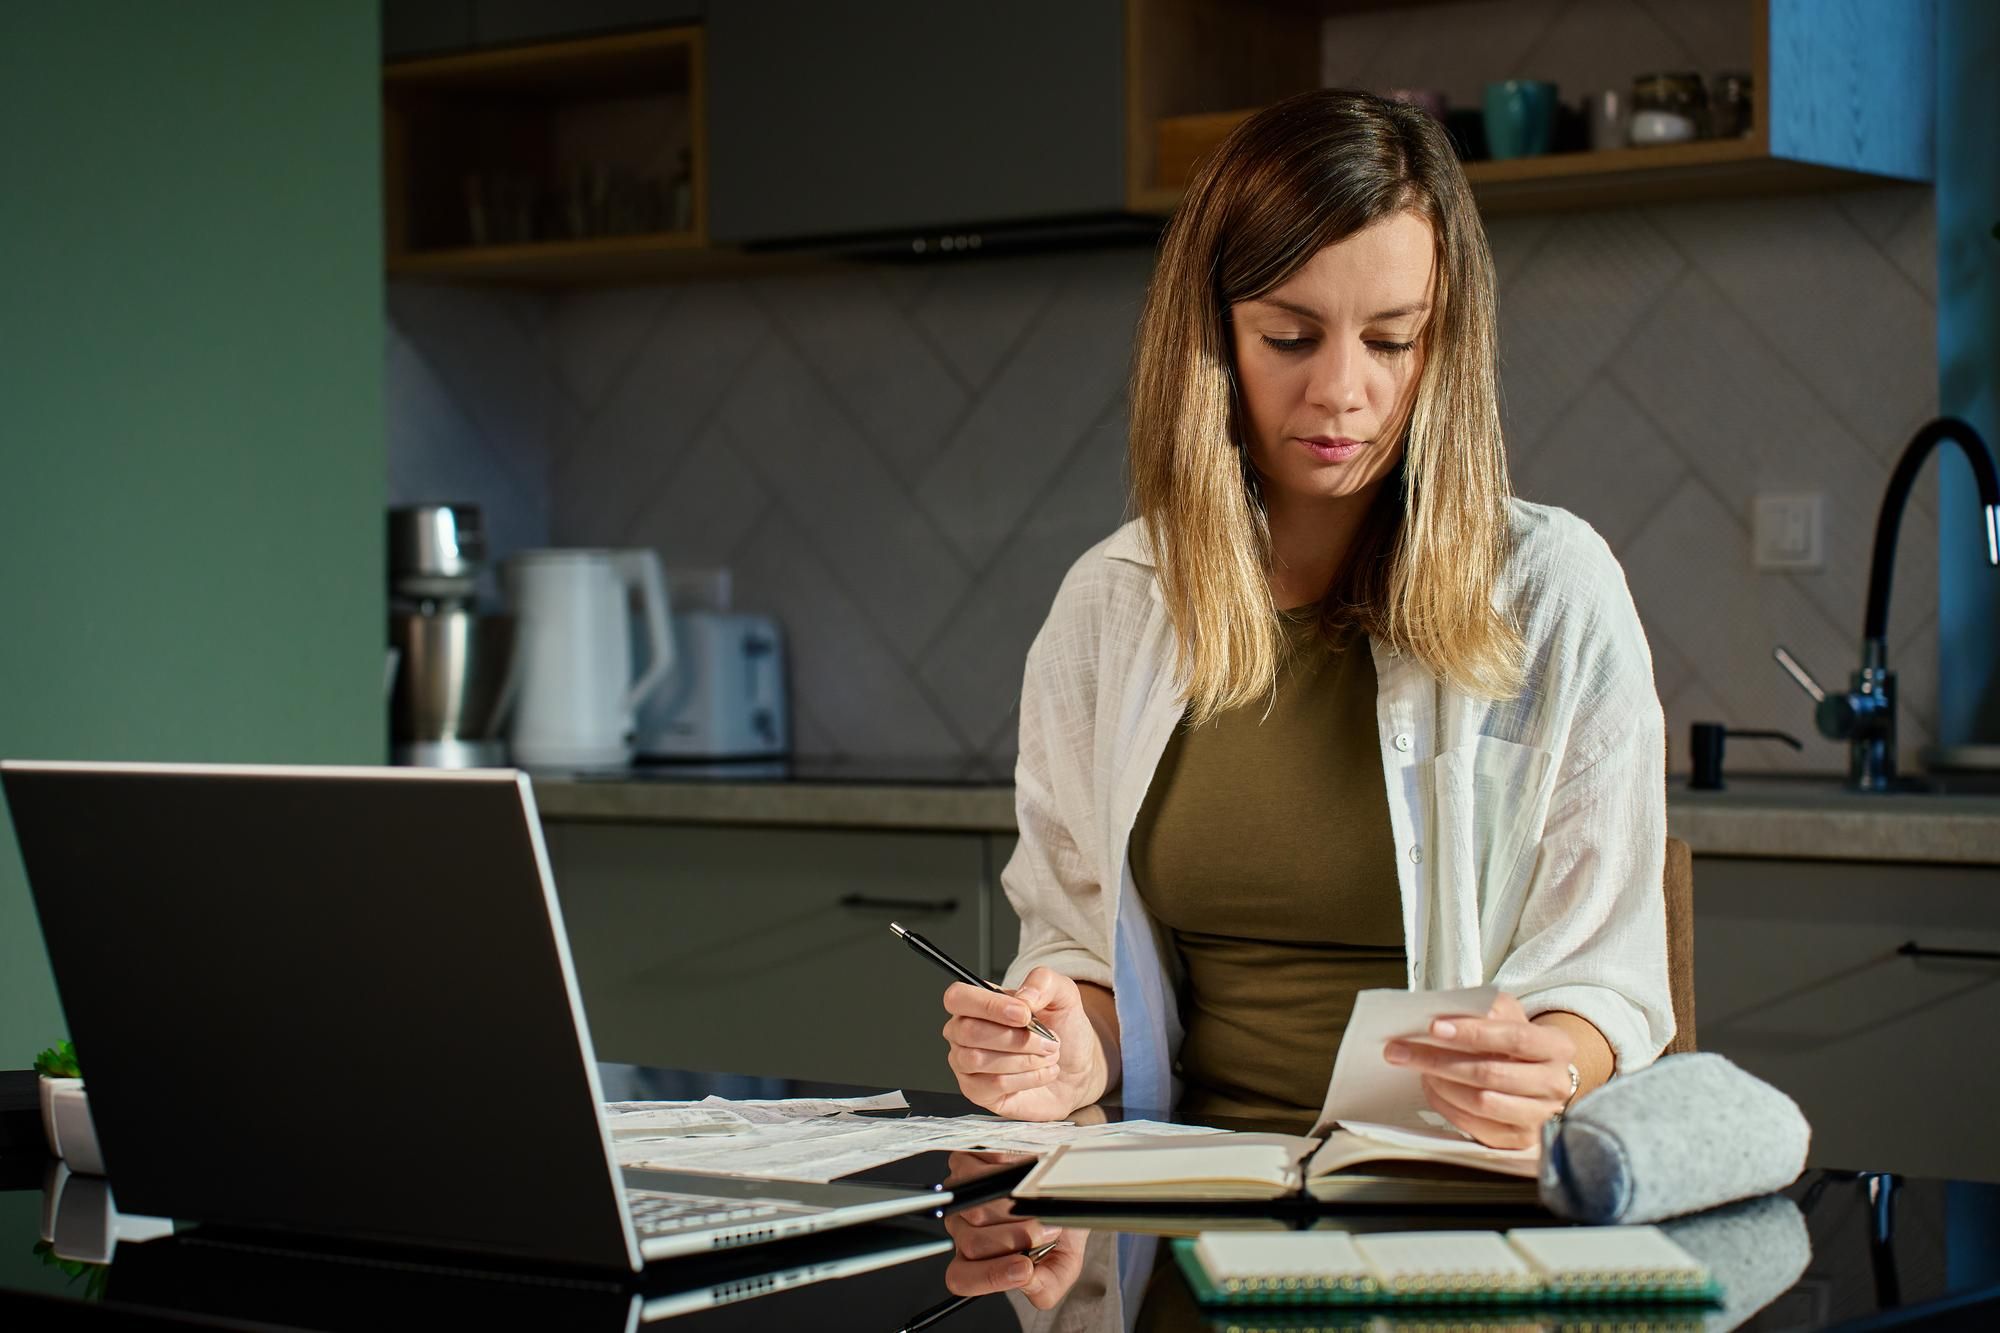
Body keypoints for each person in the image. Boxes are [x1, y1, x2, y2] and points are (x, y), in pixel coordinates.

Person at [939, 89, 1673, 1151]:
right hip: (1174, 1207)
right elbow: (1083, 955)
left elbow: (1605, 984)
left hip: (1436, 1215)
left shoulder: (1552, 590)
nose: (1342, 392)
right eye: (1289, 336)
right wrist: (1058, 1045)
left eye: (1390, 340)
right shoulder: (1108, 605)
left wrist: (1549, 1061)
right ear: (1210, 339)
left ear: (1443, 344)